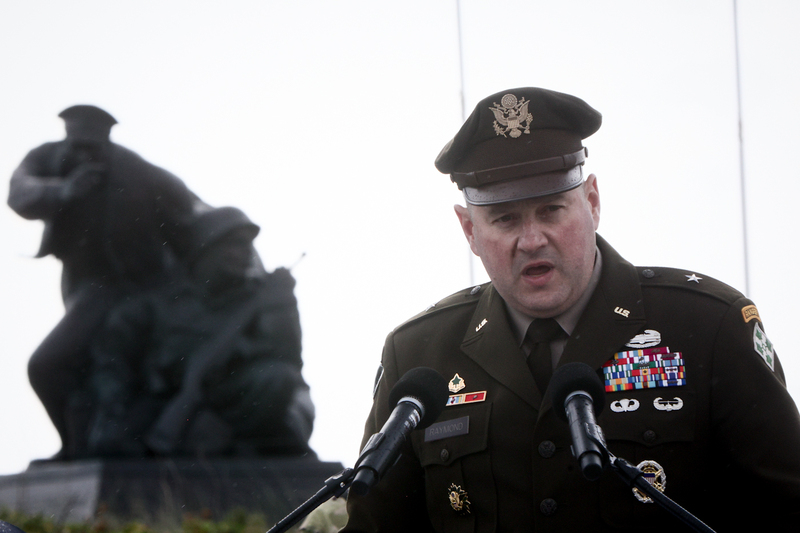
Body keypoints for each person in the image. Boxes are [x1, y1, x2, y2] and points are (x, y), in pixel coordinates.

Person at [342, 87, 800, 531]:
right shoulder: (420, 354)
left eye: (551, 210)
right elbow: (375, 526)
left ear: (592, 202)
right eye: (505, 219)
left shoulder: (707, 326)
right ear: (468, 230)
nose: (532, 239)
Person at [8, 105, 202, 459]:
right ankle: (77, 446)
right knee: (79, 367)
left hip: (135, 288)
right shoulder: (49, 158)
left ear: (107, 141)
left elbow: (195, 212)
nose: (85, 155)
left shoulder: (136, 171)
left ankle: (78, 447)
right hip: (81, 286)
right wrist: (64, 190)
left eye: (92, 147)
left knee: (47, 364)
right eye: (77, 145)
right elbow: (19, 194)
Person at [88, 206, 315, 458]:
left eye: (247, 245)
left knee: (276, 378)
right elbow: (113, 359)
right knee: (121, 441)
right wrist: (113, 410)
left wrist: (281, 304)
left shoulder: (258, 296)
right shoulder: (159, 301)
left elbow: (287, 355)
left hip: (232, 396)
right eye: (235, 244)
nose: (245, 252)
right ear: (207, 247)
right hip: (161, 398)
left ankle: (239, 446)